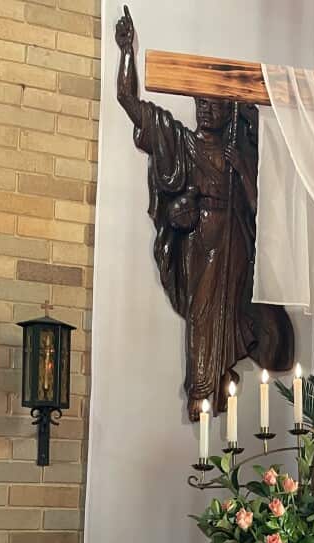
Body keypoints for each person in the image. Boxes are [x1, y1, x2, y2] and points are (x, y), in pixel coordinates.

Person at [115, 7, 294, 420]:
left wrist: (243, 169)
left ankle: (222, 379)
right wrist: (127, 51)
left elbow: (259, 209)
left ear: (226, 110)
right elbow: (129, 102)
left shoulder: (238, 151)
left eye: (215, 104)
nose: (207, 111)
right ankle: (201, 391)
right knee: (201, 315)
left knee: (232, 311)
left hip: (234, 239)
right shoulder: (179, 141)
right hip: (200, 242)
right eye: (202, 103)